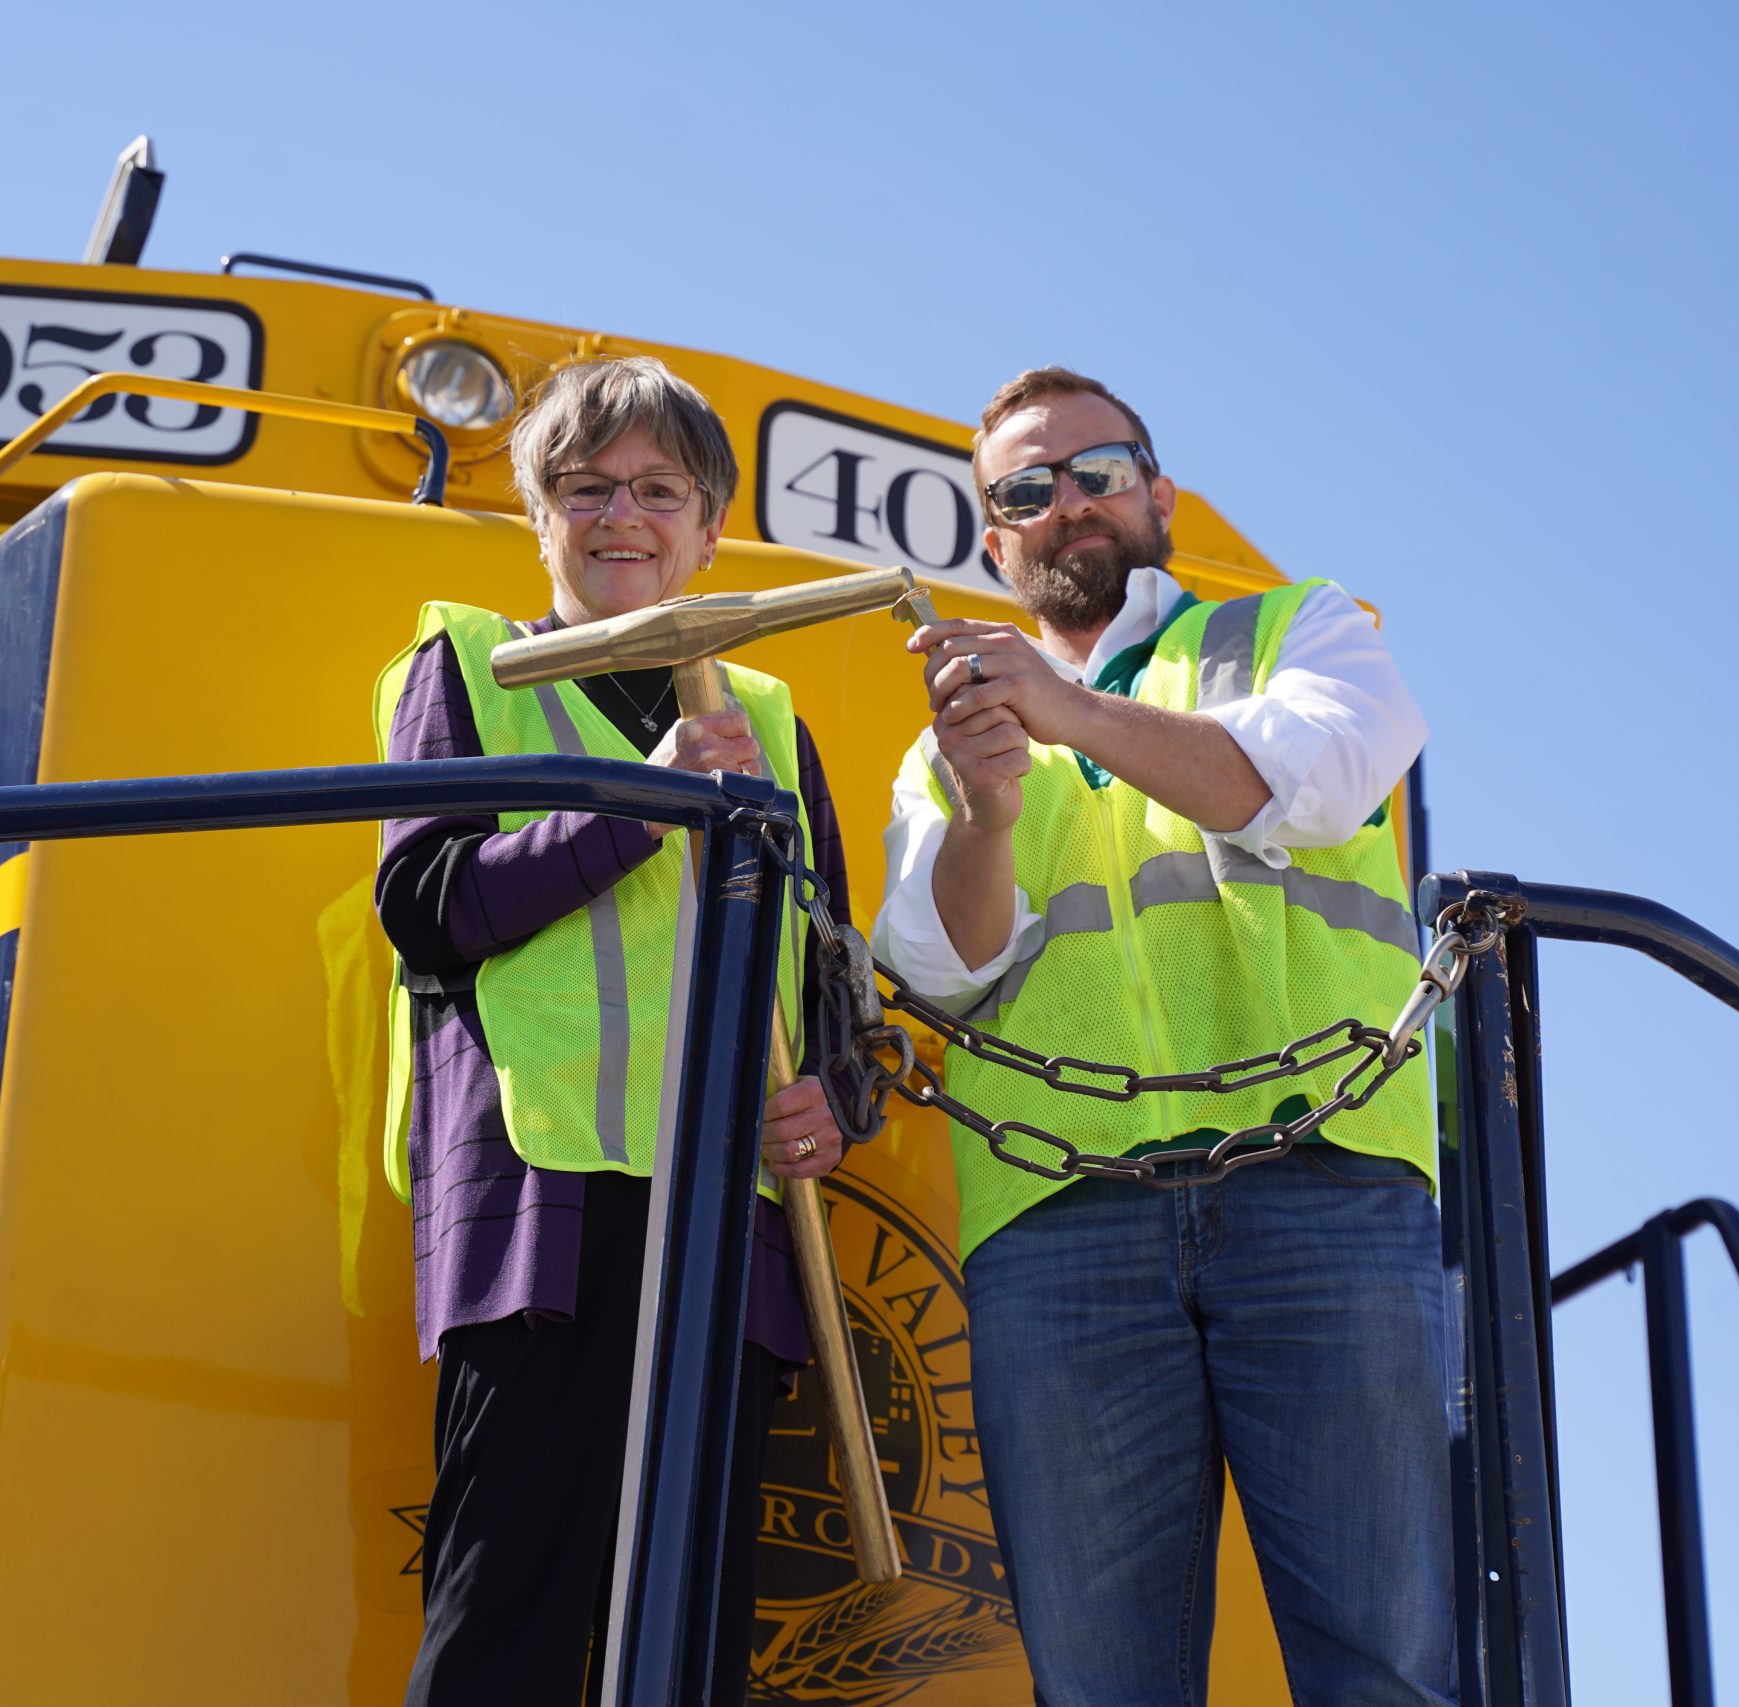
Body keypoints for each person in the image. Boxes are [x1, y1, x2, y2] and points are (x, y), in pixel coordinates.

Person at [872, 366, 1452, 1705]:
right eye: (1027, 488)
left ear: (1158, 492)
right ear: (993, 538)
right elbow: (938, 969)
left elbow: (1320, 781)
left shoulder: (1299, 629)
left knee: (1388, 1670)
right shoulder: (947, 751)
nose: (1069, 502)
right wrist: (984, 816)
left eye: (1099, 469)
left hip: (1324, 1191)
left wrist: (1064, 711)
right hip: (1061, 1230)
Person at [372, 355, 852, 1707]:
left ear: (708, 529)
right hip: (544, 1213)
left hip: (732, 1224)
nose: (621, 517)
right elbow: (427, 905)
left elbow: (828, 971)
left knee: (693, 1642)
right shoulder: (467, 665)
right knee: (503, 1620)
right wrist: (635, 806)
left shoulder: (771, 722)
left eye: (657, 490)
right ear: (538, 515)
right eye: (586, 489)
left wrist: (831, 1096)